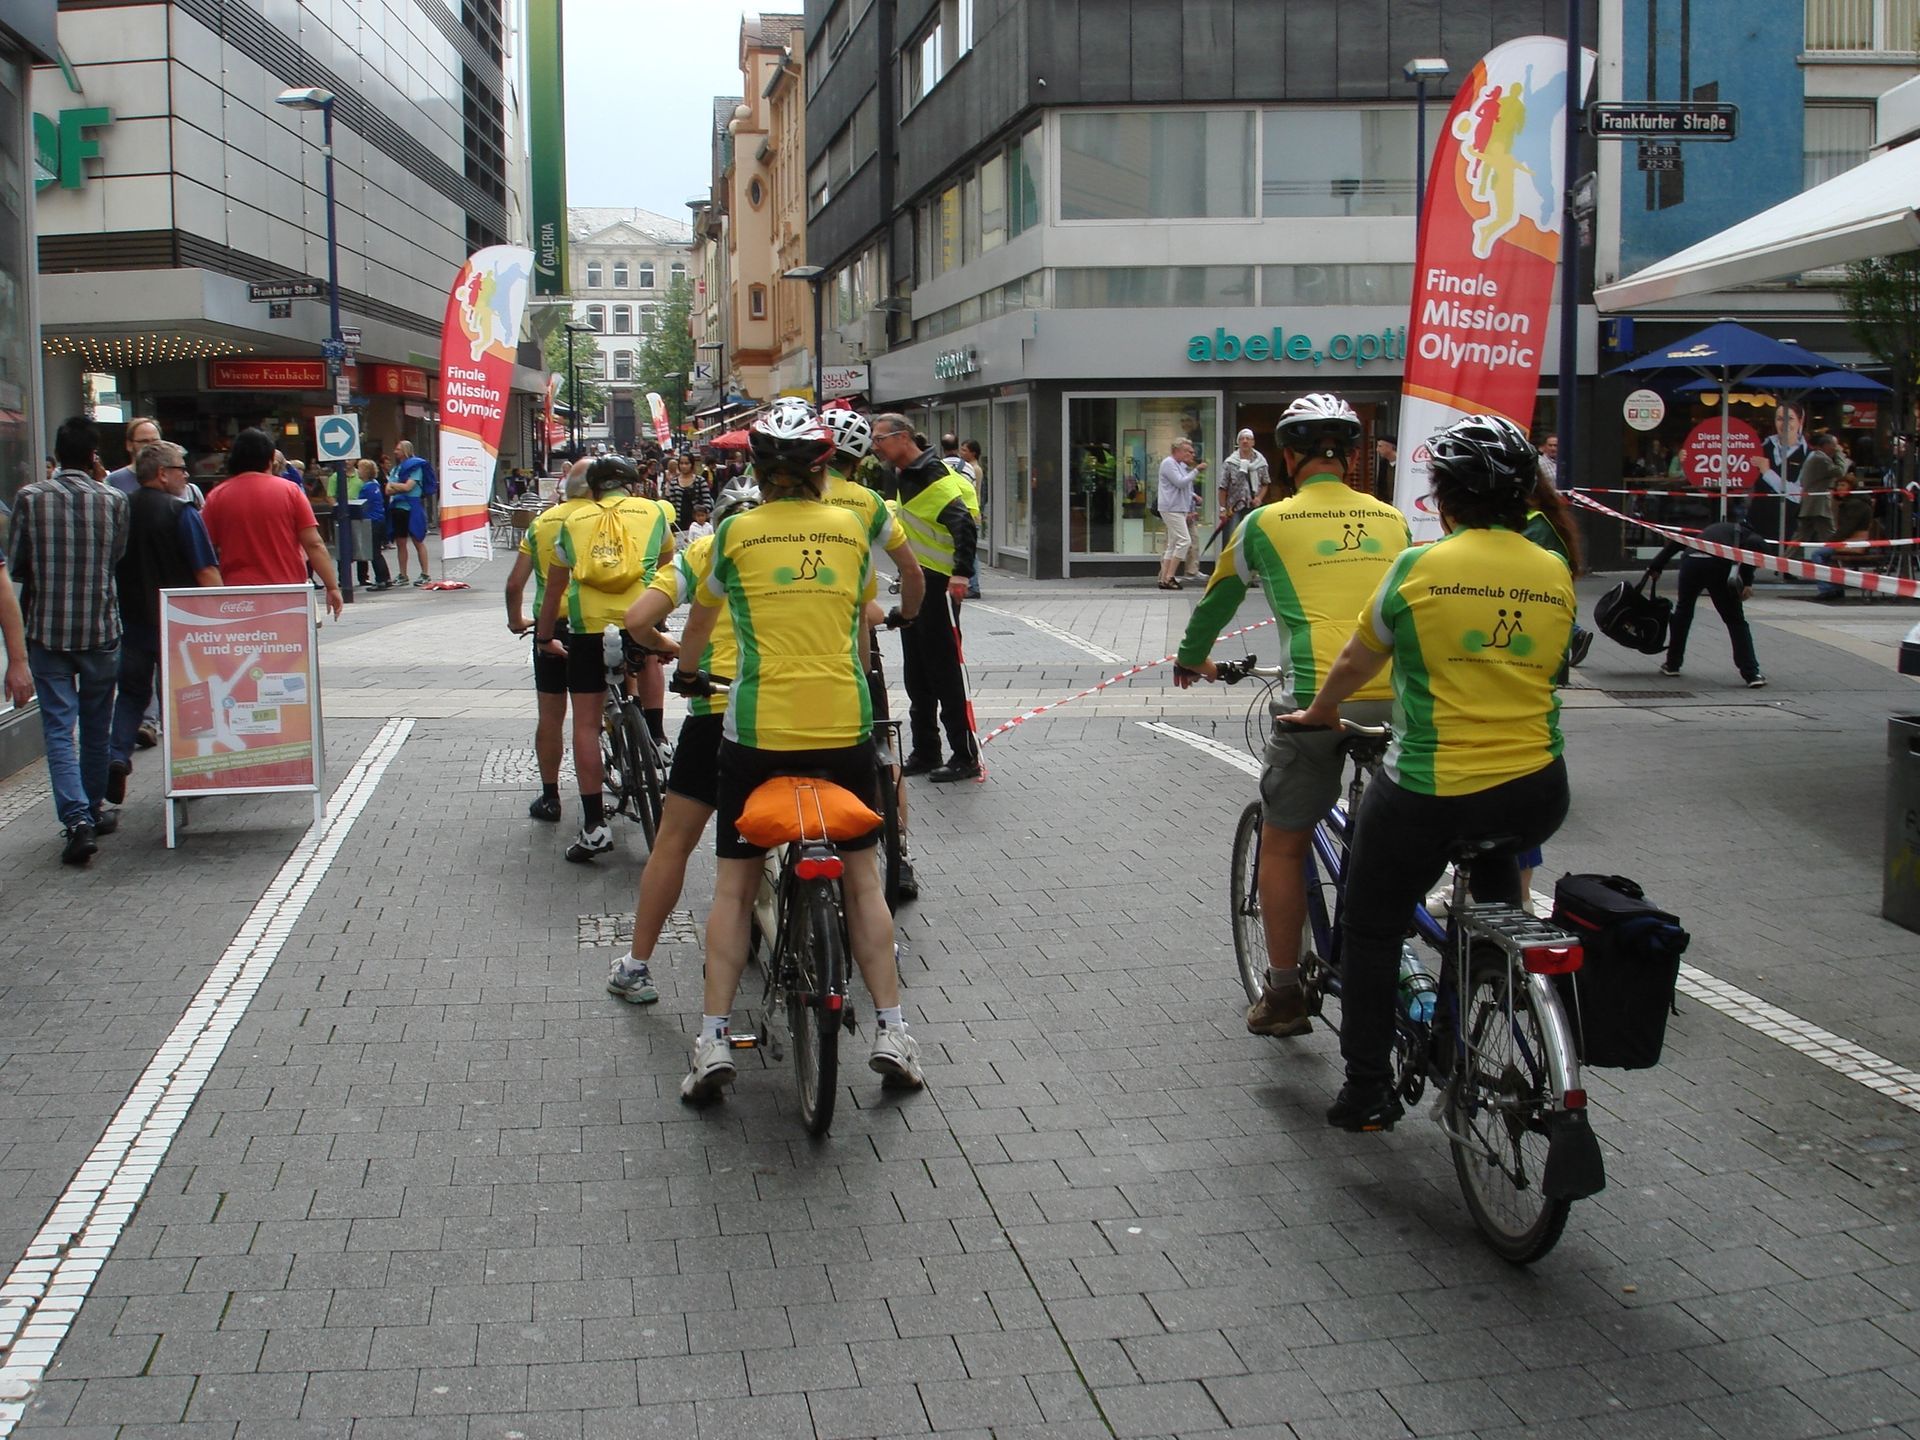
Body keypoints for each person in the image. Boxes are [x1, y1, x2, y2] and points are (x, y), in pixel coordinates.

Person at [1281, 414, 1575, 1131]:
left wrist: (1321, 711)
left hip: (1433, 787)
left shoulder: (1421, 565)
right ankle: (1470, 1022)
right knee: (1490, 911)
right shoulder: (1554, 568)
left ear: (1443, 496)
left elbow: (1356, 659)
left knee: (1371, 927)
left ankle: (1367, 1090)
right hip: (1537, 788)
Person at [668, 408, 923, 1103]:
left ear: (757, 472)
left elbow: (700, 621)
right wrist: (910, 613)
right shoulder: (851, 528)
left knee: (734, 887)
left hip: (757, 732)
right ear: (822, 469)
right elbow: (905, 579)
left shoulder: (733, 533)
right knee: (864, 880)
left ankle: (713, 1039)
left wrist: (687, 673)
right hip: (843, 725)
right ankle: (892, 1030)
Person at [1172, 393, 1410, 1038]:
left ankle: (1282, 994)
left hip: (1315, 701)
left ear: (1286, 458)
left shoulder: (1263, 524)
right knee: (1398, 834)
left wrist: (1191, 660)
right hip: (1400, 701)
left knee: (1282, 840)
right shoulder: (1394, 521)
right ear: (1353, 458)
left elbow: (1218, 601)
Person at [609, 479, 763, 1004]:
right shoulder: (788, 546)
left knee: (674, 842)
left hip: (716, 710)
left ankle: (637, 965)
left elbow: (636, 619)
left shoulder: (703, 551)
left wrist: (667, 645)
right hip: (789, 710)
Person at [532, 454, 676, 861]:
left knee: (586, 723)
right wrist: (659, 626)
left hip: (588, 629)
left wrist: (545, 637)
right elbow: (667, 572)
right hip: (638, 620)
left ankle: (595, 825)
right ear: (631, 485)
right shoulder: (654, 513)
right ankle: (656, 737)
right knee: (647, 658)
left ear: (593, 490)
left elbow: (555, 590)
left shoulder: (572, 522)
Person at [9, 416, 131, 865]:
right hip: (100, 628)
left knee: (59, 728)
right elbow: (116, 556)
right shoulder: (114, 500)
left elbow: (17, 563)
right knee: (97, 724)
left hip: (48, 630)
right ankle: (93, 808)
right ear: (94, 456)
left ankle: (76, 819)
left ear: (58, 455)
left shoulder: (30, 498)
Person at [820, 405, 928, 893]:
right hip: (856, 636)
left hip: (792, 643)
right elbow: (911, 571)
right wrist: (907, 613)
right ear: (860, 458)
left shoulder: (781, 501)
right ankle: (898, 853)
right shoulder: (867, 502)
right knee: (880, 741)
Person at [105, 442, 222, 810]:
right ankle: (188, 773)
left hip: (133, 622)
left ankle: (117, 755)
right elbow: (206, 571)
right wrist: (220, 618)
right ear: (162, 473)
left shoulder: (120, 510)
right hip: (180, 626)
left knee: (131, 695)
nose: (185, 475)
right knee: (187, 698)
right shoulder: (180, 511)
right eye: (180, 468)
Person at [871, 414, 978, 782]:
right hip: (918, 582)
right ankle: (926, 750)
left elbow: (963, 524)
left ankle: (964, 755)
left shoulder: (930, 473)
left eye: (880, 438)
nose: (875, 446)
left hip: (938, 585)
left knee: (943, 672)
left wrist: (961, 574)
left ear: (903, 437)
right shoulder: (905, 473)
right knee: (917, 673)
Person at [505, 461, 591, 823]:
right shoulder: (606, 517)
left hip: (552, 625)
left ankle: (551, 796)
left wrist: (516, 621)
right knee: (593, 714)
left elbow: (514, 584)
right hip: (597, 622)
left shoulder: (542, 524)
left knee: (552, 716)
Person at [201, 429, 345, 618]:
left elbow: (206, 550)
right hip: (287, 592)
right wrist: (332, 586)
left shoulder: (216, 497)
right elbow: (314, 544)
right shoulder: (290, 491)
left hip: (238, 595)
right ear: (270, 459)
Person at [1648, 517, 1766, 686]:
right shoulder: (1750, 536)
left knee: (1683, 613)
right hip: (1717, 565)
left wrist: (1657, 566)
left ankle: (1672, 664)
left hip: (1691, 563)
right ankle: (1751, 674)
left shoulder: (1710, 530)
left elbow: (1678, 541)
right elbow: (1753, 550)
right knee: (1735, 620)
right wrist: (1747, 582)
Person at [1812, 471, 1874, 601]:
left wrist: (1830, 542)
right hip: (1850, 541)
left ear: (1851, 487)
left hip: (1853, 542)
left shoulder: (1855, 504)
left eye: (1843, 485)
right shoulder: (1852, 503)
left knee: (1817, 554)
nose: (1839, 488)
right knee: (1826, 555)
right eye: (1838, 485)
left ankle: (1827, 589)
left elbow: (1847, 528)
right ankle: (1835, 588)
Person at [1156, 438, 1204, 590]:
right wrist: (1196, 470)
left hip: (1178, 508)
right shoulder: (1169, 463)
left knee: (1173, 543)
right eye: (1188, 451)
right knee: (1184, 540)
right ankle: (1170, 577)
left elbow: (1184, 486)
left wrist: (1193, 496)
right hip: (1171, 508)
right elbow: (1180, 482)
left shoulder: (1179, 465)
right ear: (1177, 451)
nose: (1191, 454)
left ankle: (1164, 578)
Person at [385, 441, 433, 585]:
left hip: (412, 508)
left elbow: (408, 487)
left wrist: (394, 485)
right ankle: (403, 574)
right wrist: (397, 487)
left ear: (406, 450)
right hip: (398, 508)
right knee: (400, 543)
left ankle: (425, 573)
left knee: (418, 540)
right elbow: (387, 490)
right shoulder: (396, 469)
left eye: (398, 449)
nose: (395, 452)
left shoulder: (416, 467)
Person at [1216, 429, 1268, 545]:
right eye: (1242, 439)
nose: (1245, 441)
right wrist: (1222, 509)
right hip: (1234, 508)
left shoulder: (1261, 462)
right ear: (1238, 443)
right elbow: (1222, 487)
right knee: (1234, 539)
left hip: (1253, 507)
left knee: (1252, 538)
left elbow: (1265, 483)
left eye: (1248, 439)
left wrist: (1259, 498)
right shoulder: (1230, 462)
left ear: (1253, 442)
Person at [1794, 431, 1843, 544]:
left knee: (1801, 537)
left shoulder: (1814, 456)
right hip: (1818, 505)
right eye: (1834, 445)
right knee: (1830, 535)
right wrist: (1840, 453)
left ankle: (1788, 555)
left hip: (1810, 504)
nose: (1836, 448)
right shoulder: (1821, 458)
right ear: (1826, 445)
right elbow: (1840, 471)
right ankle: (1834, 554)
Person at [353, 459, 393, 591]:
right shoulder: (375, 484)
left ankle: (381, 580)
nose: (358, 471)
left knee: (374, 553)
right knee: (377, 552)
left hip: (371, 521)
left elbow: (361, 504)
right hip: (379, 519)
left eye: (360, 468)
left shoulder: (366, 487)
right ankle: (386, 578)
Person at [105, 416, 163, 496]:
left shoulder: (172, 477)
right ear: (129, 445)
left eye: (156, 441)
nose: (151, 446)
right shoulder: (113, 480)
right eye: (144, 441)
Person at [1373, 433, 1397, 502]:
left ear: (1390, 447)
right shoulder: (1383, 464)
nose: (1377, 450)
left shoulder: (1404, 463)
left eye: (1380, 446)